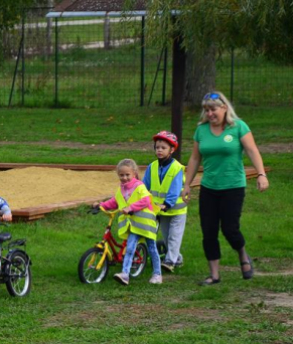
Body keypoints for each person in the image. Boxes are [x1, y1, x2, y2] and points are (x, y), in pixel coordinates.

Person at [181, 91, 269, 286]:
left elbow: (252, 150)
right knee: (209, 230)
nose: (210, 114)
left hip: (233, 186)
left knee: (230, 229)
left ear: (224, 108)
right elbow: (195, 158)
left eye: (213, 109)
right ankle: (214, 275)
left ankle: (242, 254)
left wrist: (261, 174)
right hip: (209, 187)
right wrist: (187, 184)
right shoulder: (201, 130)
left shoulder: (238, 127)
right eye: (206, 110)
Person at [95, 159, 162, 285]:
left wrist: (131, 208)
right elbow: (115, 201)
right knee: (130, 248)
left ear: (134, 173)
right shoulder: (121, 189)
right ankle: (125, 274)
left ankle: (157, 274)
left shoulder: (140, 186)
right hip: (133, 225)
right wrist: (101, 205)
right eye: (121, 175)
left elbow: (146, 200)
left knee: (152, 248)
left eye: (127, 175)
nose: (124, 178)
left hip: (146, 224)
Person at [144, 131, 187, 273]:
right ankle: (177, 258)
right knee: (167, 237)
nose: (159, 150)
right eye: (157, 147)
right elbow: (144, 186)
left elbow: (174, 189)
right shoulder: (152, 167)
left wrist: (167, 204)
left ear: (172, 150)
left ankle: (169, 262)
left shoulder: (176, 168)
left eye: (163, 147)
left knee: (174, 236)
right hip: (160, 210)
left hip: (176, 209)